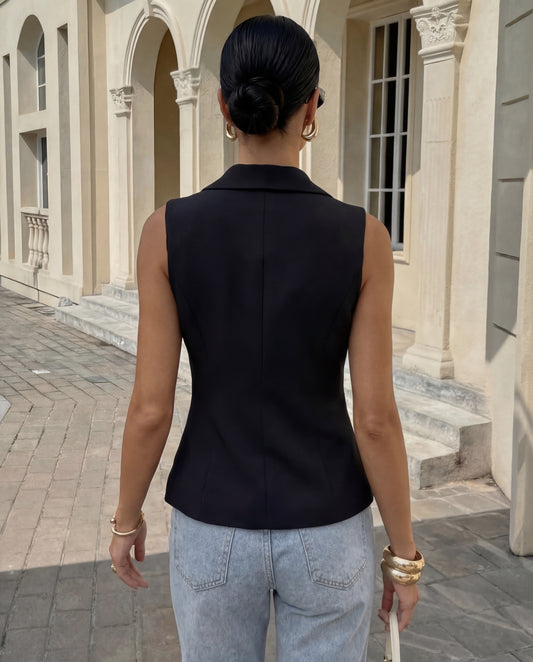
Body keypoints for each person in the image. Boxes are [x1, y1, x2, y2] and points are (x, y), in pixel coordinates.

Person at [109, 14, 423, 662]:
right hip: (327, 521)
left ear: (224, 107)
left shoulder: (165, 231)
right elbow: (374, 418)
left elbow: (150, 409)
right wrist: (403, 555)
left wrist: (126, 518)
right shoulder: (363, 237)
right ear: (311, 109)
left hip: (211, 519)